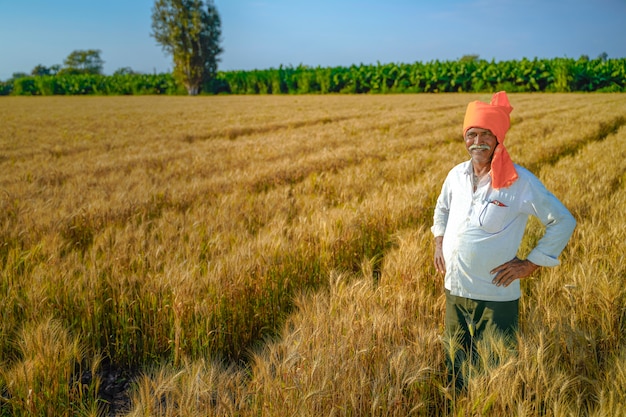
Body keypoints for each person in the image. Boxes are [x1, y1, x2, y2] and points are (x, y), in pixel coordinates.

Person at [431, 91, 576, 390]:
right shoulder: (455, 175)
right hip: (455, 288)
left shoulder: (519, 181)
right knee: (456, 365)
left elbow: (563, 220)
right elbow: (442, 208)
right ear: (464, 137)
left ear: (499, 138)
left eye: (486, 134)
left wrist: (531, 263)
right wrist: (438, 241)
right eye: (471, 134)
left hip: (495, 294)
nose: (478, 141)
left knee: (495, 373)